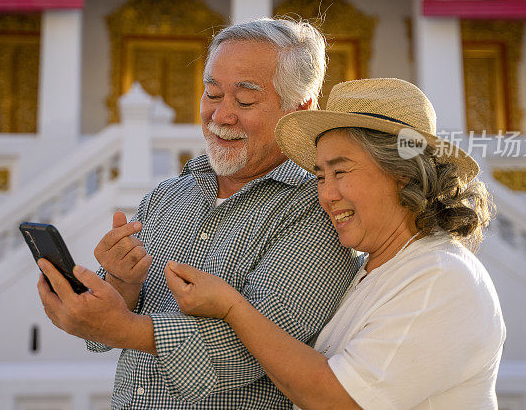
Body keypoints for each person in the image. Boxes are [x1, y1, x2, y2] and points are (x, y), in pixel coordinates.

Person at [36, 18, 361, 408]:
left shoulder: (319, 207)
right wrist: (120, 284)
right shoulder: (168, 196)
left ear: (301, 109)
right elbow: (101, 335)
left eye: (245, 101)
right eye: (211, 93)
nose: (220, 115)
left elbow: (259, 347)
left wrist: (127, 329)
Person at [165, 78, 506, 410]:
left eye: (341, 173)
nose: (326, 196)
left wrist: (231, 308)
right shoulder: (377, 269)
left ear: (402, 173)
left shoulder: (440, 277)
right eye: (319, 177)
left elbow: (338, 400)